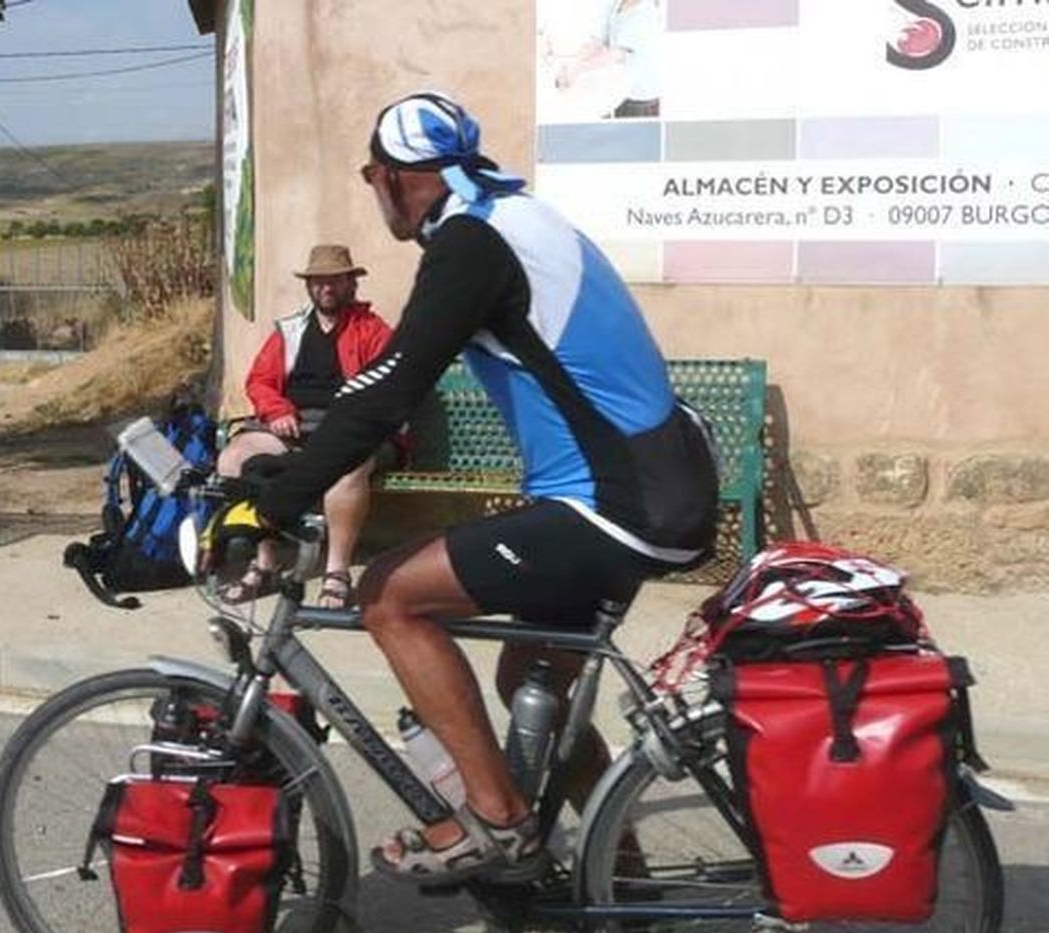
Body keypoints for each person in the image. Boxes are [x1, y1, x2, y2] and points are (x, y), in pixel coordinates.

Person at [232, 91, 717, 884]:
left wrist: (271, 504)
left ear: (393, 177)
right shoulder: (515, 217)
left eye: (371, 176)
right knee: (531, 686)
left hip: (614, 506)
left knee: (388, 594)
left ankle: (495, 822)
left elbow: (389, 387)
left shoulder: (471, 243)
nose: (373, 190)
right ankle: (621, 887)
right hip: (653, 489)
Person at [216, 244, 397, 609]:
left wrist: (347, 423)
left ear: (351, 283)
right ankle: (265, 562)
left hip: (351, 428)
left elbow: (387, 387)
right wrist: (277, 410)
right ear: (309, 286)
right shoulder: (291, 330)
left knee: (347, 465)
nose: (326, 288)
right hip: (294, 425)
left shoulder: (373, 331)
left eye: (335, 280)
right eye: (318, 281)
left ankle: (337, 571)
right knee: (234, 458)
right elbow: (260, 381)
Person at [554, 0, 662, 119]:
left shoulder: (645, 12)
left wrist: (577, 70)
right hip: (618, 89)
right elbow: (596, 42)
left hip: (640, 96)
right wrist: (574, 65)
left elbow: (616, 54)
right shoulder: (615, 4)